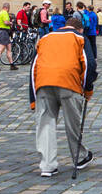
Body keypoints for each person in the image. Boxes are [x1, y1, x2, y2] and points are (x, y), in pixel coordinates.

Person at [31, 15, 95, 177]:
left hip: (43, 83)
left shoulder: (46, 38)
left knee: (45, 124)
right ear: (80, 29)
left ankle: (47, 165)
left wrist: (33, 99)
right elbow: (89, 64)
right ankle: (79, 157)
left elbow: (33, 68)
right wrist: (87, 90)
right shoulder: (80, 37)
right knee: (72, 122)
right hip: (69, 83)